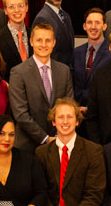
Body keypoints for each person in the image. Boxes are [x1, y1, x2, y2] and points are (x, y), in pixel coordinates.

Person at [8, 22, 73, 152]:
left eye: (48, 40)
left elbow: (69, 107)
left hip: (59, 143)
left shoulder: (64, 70)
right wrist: (45, 138)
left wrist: (58, 136)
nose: (43, 45)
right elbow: (20, 114)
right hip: (28, 146)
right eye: (39, 40)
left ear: (54, 42)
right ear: (31, 42)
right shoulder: (18, 72)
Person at [33, 0, 76, 67]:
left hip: (67, 73)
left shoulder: (66, 16)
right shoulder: (42, 18)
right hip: (54, 73)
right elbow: (43, 52)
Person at [72, 8, 110, 108]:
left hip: (100, 112)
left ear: (104, 26)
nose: (93, 27)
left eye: (97, 23)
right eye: (89, 22)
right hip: (77, 112)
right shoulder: (76, 52)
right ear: (84, 26)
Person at [0, 0, 32, 76]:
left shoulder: (35, 35)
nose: (16, 10)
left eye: (21, 5)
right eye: (11, 7)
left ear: (26, 7)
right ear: (5, 10)